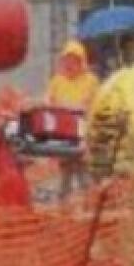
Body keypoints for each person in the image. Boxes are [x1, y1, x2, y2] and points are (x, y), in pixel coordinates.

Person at [44, 40, 97, 198]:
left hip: (83, 133)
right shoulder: (57, 81)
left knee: (84, 174)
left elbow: (93, 105)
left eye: (74, 61)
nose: (70, 65)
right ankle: (64, 206)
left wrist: (78, 108)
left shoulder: (91, 81)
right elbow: (48, 101)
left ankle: (90, 204)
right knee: (65, 174)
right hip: (63, 135)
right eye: (67, 61)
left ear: (82, 62)